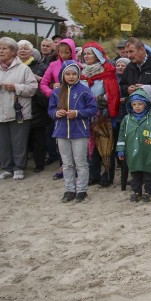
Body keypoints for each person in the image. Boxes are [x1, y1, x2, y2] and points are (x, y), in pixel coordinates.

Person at [0, 37, 39, 180]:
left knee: (19, 141)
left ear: (13, 51)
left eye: (5, 48)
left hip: (18, 111)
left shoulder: (23, 69)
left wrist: (16, 87)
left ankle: (18, 168)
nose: (1, 51)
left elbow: (32, 88)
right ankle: (6, 168)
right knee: (2, 141)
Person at [49, 61, 98, 202]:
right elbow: (50, 109)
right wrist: (56, 113)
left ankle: (82, 190)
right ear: (62, 75)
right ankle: (69, 189)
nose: (71, 77)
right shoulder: (57, 92)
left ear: (78, 75)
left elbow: (93, 109)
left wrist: (77, 113)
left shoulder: (84, 90)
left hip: (80, 132)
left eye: (74, 74)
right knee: (67, 163)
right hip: (61, 132)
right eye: (68, 74)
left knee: (81, 162)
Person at [80, 42, 120, 186]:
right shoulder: (83, 73)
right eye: (84, 54)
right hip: (86, 115)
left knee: (105, 145)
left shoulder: (107, 71)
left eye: (89, 53)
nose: (86, 56)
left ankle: (107, 175)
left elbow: (112, 93)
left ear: (97, 55)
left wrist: (96, 101)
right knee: (91, 147)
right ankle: (93, 174)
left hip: (102, 114)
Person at [117, 89, 151, 203]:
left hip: (148, 152)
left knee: (148, 173)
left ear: (146, 104)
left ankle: (148, 192)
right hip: (132, 152)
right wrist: (120, 150)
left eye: (140, 104)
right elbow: (121, 136)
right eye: (134, 104)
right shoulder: (126, 120)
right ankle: (136, 192)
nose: (137, 107)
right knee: (135, 173)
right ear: (130, 105)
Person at [17, 40, 50, 172]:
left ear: (31, 52)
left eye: (25, 48)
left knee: (38, 138)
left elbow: (46, 84)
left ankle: (39, 163)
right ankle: (20, 163)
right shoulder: (13, 66)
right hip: (18, 105)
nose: (22, 51)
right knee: (21, 138)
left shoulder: (40, 67)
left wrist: (36, 81)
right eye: (20, 49)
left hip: (36, 105)